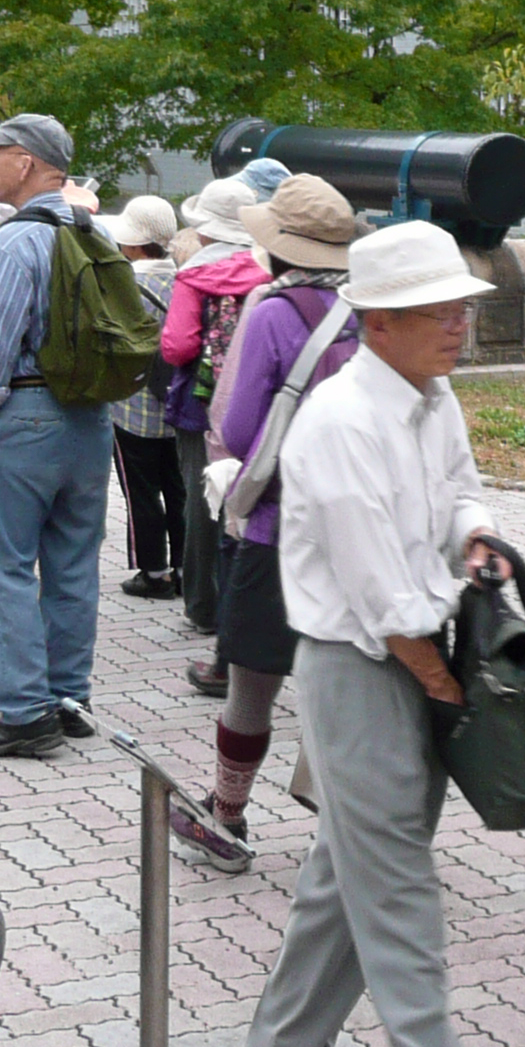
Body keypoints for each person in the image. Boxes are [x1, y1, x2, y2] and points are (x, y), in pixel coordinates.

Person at [234, 222, 525, 1047]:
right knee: (401, 903)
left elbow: (463, 493)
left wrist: (477, 542)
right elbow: (382, 602)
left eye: (462, 304)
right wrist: (452, 693)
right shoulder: (340, 420)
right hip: (365, 669)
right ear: (378, 320)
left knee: (351, 873)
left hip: (419, 660)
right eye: (440, 309)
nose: (460, 323)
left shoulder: (430, 396)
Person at [168, 175, 364, 872]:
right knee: (343, 689)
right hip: (357, 531)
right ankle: (341, 834)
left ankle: (227, 818)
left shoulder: (274, 311)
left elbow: (244, 425)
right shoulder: (374, 311)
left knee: (253, 683)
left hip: (279, 527)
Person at [0, 112, 111, 757]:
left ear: (24, 162)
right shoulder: (89, 227)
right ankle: (69, 695)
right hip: (89, 417)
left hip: (23, 412)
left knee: (4, 562)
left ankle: (24, 713)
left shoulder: (13, 241)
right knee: (74, 561)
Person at [160, 180, 266, 636]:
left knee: (202, 500)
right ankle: (249, 599)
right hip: (258, 400)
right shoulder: (269, 270)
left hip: (200, 405)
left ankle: (203, 603)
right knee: (254, 497)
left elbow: (178, 348)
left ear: (205, 230)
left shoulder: (193, 276)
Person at [104, 197, 186, 599]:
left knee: (141, 491)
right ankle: (189, 567)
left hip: (134, 406)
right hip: (182, 405)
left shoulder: (125, 285)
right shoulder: (188, 278)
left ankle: (154, 572)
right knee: (180, 488)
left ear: (133, 244)